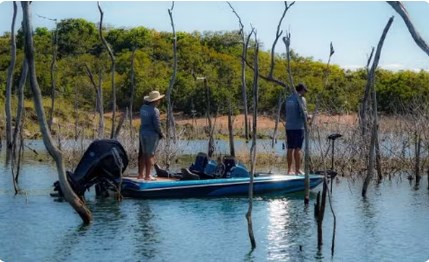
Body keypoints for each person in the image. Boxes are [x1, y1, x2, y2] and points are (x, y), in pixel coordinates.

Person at [138, 90, 165, 180]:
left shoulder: (143, 108)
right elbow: (157, 124)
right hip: (151, 134)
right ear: (156, 101)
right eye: (159, 100)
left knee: (143, 154)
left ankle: (140, 174)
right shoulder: (155, 111)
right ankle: (148, 176)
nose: (159, 101)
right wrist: (161, 133)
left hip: (142, 133)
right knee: (150, 155)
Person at [284, 83, 310, 175]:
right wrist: (309, 117)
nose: (305, 93)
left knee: (290, 148)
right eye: (304, 91)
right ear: (301, 90)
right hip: (298, 127)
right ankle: (297, 170)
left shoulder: (288, 98)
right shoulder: (301, 99)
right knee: (298, 149)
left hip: (289, 127)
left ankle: (289, 170)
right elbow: (303, 113)